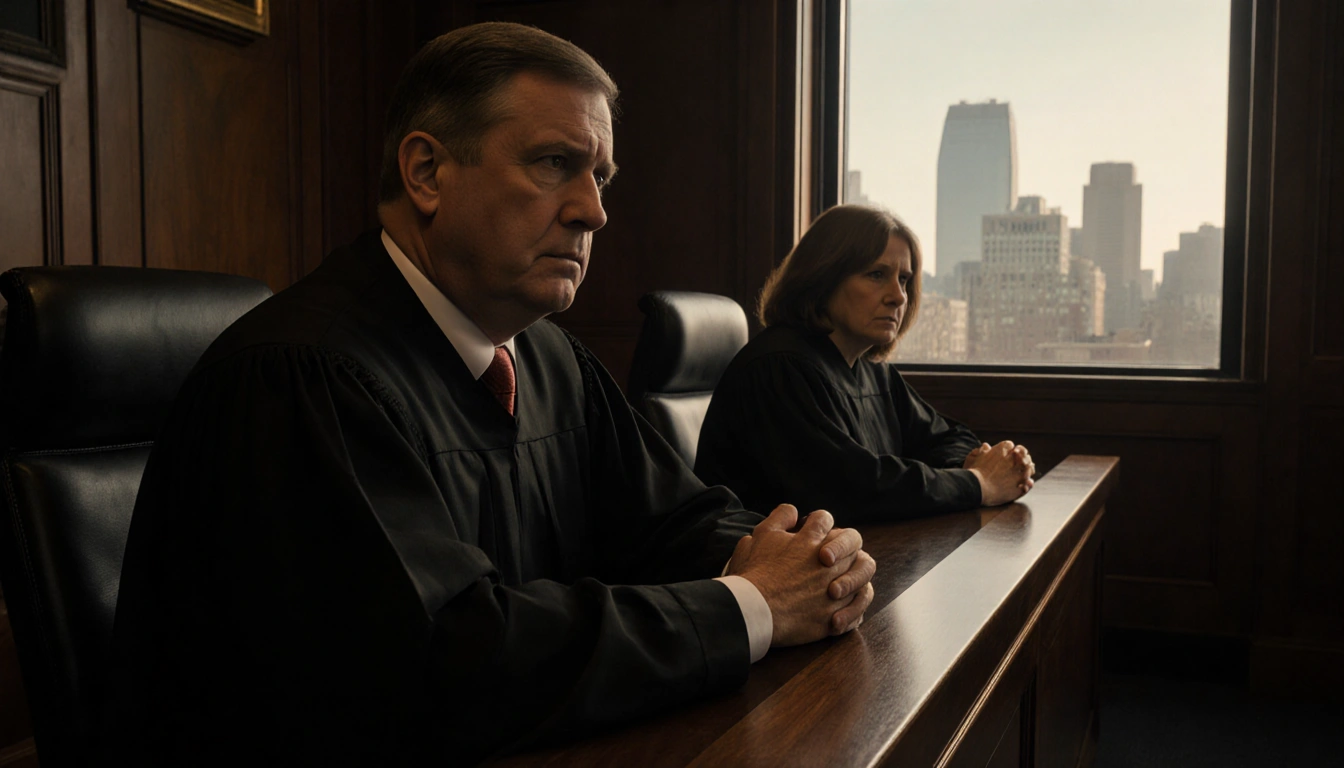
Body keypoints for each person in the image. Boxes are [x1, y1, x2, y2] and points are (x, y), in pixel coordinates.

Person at [104, 23, 875, 765]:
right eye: (553, 163)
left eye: (600, 177)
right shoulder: (304, 377)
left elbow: (673, 521)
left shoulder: (549, 358)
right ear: (426, 173)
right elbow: (449, 656)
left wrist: (805, 561)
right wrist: (752, 606)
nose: (593, 210)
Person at [696, 204, 1035, 525]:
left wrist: (972, 463)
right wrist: (978, 483)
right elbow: (854, 488)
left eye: (904, 279)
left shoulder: (873, 371)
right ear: (821, 277)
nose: (898, 296)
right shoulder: (779, 367)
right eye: (876, 275)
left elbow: (949, 438)